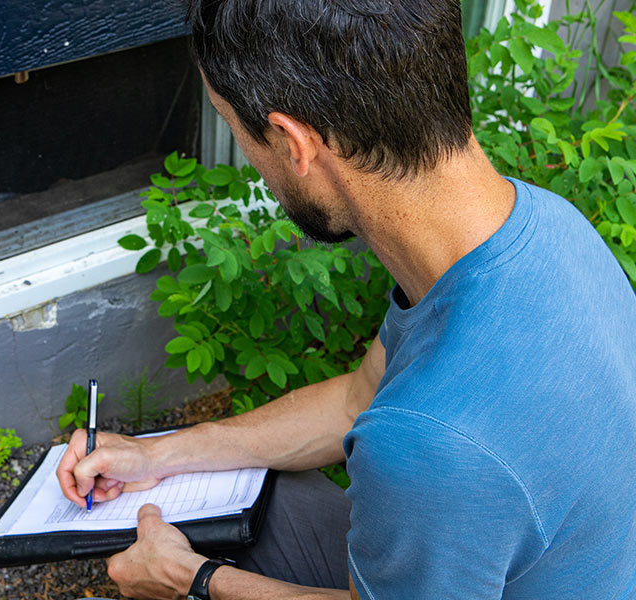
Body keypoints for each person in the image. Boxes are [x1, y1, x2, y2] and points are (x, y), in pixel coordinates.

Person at [57, 0, 636, 598]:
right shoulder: (542, 226)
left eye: (234, 127)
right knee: (259, 494)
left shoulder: (428, 441)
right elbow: (359, 400)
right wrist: (159, 456)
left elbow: (421, 440)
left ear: (292, 143)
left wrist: (188, 579)